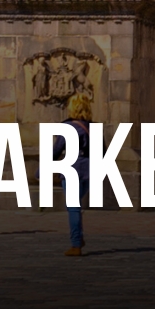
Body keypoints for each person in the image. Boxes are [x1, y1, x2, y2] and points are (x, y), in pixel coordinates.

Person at [61, 93, 93, 255]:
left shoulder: (67, 127)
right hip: (89, 171)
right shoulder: (93, 127)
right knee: (76, 206)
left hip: (72, 169)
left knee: (73, 208)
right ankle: (78, 238)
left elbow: (55, 151)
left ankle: (76, 244)